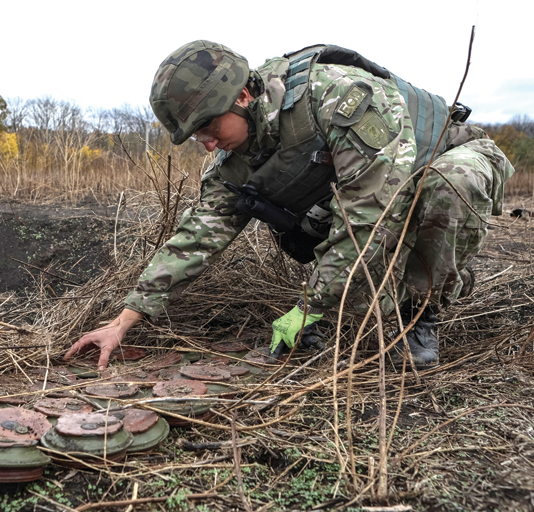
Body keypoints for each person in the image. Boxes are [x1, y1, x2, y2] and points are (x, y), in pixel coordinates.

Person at [64, 40, 514, 370]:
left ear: (242, 96)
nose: (207, 144)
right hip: (372, 193)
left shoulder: (338, 97)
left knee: (451, 184)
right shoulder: (231, 164)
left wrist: (308, 307)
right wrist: (124, 321)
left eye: (208, 127)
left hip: (442, 158)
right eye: (195, 136)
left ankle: (419, 310)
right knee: (309, 219)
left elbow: (372, 218)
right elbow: (195, 240)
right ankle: (367, 301)